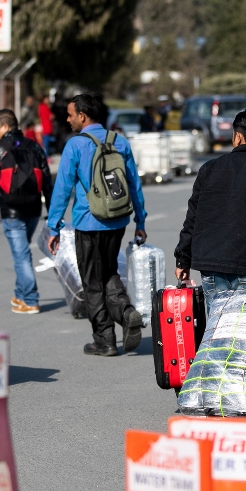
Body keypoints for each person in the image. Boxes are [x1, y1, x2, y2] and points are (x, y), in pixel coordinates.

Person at [46, 94, 147, 356]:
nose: (67, 120)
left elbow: (63, 189)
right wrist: (140, 220)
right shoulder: (119, 141)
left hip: (89, 223)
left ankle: (105, 341)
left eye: (70, 115)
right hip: (117, 221)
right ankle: (126, 313)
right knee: (109, 272)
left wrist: (53, 226)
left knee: (92, 282)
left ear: (82, 116)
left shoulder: (76, 145)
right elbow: (134, 184)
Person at [174, 108, 246, 311]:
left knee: (217, 334)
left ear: (237, 137)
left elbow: (193, 217)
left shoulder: (209, 169)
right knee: (245, 337)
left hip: (211, 267)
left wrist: (183, 260)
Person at [0, 110, 54, 314]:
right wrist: (52, 211)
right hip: (33, 209)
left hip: (12, 211)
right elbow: (47, 180)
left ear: (6, 127)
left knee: (22, 256)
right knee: (22, 252)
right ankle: (20, 294)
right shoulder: (34, 147)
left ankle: (31, 299)